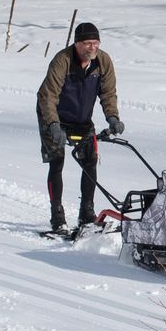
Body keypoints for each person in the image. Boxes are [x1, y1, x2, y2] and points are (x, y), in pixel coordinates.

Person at [36, 22, 124, 232]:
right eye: (86, 43)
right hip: (53, 114)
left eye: (95, 43)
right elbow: (48, 96)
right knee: (56, 162)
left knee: (90, 161)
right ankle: (57, 218)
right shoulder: (62, 61)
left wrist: (112, 117)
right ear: (76, 44)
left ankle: (87, 214)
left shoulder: (102, 61)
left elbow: (108, 93)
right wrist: (53, 125)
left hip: (82, 118)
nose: (91, 48)